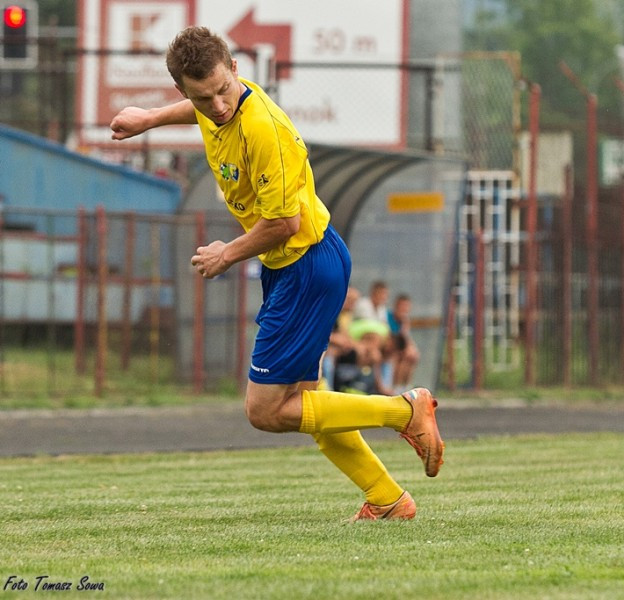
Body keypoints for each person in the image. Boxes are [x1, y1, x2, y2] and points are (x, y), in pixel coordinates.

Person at [109, 26, 443, 521]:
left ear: (236, 71)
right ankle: (388, 499)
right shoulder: (212, 107)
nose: (218, 105)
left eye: (224, 90)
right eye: (203, 97)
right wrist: (151, 117)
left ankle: (405, 410)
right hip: (294, 267)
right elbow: (200, 112)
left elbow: (284, 223)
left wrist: (227, 254)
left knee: (265, 411)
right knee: (305, 404)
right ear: (185, 91)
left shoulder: (261, 127)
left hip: (306, 264)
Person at [387, 293, 420, 392]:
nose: (404, 310)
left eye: (407, 307)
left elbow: (407, 340)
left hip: (400, 350)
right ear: (396, 306)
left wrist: (411, 349)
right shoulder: (388, 317)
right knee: (398, 357)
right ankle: (394, 389)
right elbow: (391, 339)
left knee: (411, 356)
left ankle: (405, 388)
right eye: (402, 306)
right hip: (390, 349)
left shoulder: (404, 321)